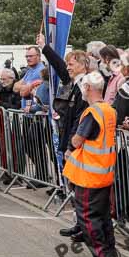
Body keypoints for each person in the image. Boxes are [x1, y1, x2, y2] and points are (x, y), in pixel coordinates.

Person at [63, 72, 119, 257]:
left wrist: (71, 146)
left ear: (88, 88)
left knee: (88, 218)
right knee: (102, 217)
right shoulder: (109, 110)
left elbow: (77, 140)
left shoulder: (93, 112)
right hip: (104, 172)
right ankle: (110, 255)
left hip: (89, 176)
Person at [37, 33, 90, 241]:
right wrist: (45, 47)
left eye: (72, 63)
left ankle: (86, 228)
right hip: (70, 138)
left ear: (84, 65)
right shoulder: (75, 82)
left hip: (78, 144)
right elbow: (59, 67)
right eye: (68, 63)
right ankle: (80, 224)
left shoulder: (86, 85)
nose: (68, 67)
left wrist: (70, 145)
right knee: (74, 186)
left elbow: (81, 118)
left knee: (81, 188)